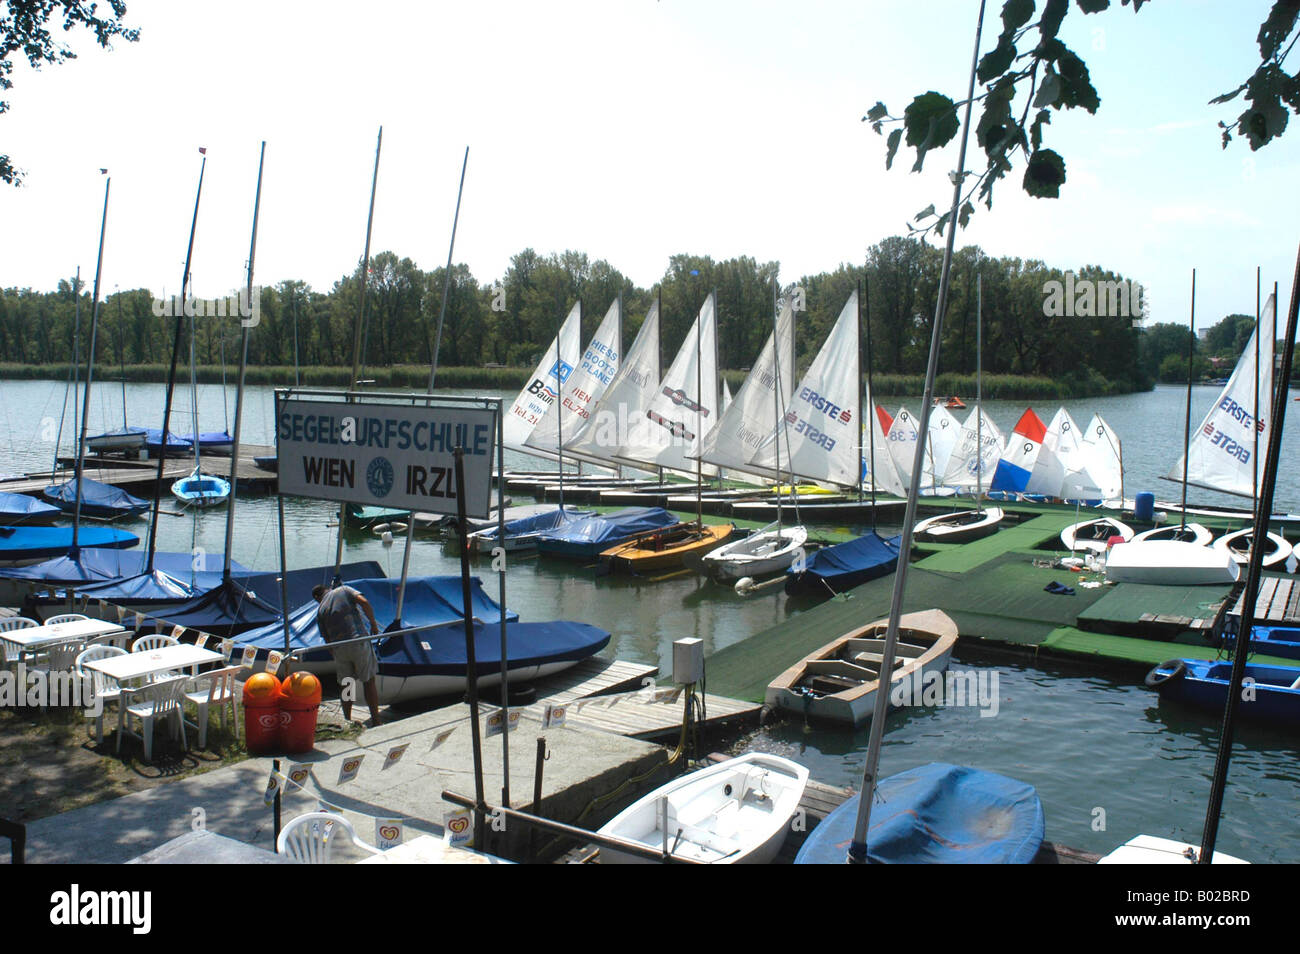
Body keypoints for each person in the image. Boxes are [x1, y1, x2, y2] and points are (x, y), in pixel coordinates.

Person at [312, 583, 382, 726]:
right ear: (326, 589)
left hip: (339, 649)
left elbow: (326, 639)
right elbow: (364, 602)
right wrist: (373, 624)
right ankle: (376, 720)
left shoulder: (320, 610)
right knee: (368, 681)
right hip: (357, 641)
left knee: (347, 684)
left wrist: (335, 653)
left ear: (317, 597)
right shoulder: (344, 590)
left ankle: (347, 720)